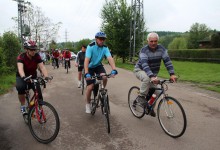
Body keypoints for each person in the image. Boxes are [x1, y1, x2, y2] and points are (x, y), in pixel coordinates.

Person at [134, 32, 177, 117]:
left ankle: (149, 108)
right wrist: (152, 76)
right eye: (151, 41)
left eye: (155, 41)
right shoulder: (144, 50)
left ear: (158, 41)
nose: (153, 43)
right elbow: (145, 65)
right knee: (146, 78)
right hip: (140, 70)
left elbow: (167, 62)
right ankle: (141, 96)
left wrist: (172, 74)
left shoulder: (161, 49)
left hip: (152, 74)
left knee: (157, 91)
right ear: (148, 41)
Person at [84, 31, 118, 113]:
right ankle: (87, 104)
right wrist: (86, 72)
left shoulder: (105, 47)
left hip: (98, 66)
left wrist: (114, 69)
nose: (102, 41)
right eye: (100, 39)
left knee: (105, 77)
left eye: (103, 39)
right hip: (90, 67)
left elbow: (110, 58)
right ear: (96, 39)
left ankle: (102, 90)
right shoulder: (90, 46)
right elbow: (86, 60)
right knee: (90, 87)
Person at [16, 40, 50, 114]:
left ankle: (41, 110)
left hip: (32, 76)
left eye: (34, 49)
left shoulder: (37, 56)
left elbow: (42, 67)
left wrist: (46, 76)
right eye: (31, 50)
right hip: (22, 76)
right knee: (20, 88)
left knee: (39, 92)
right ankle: (23, 106)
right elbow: (20, 69)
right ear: (26, 49)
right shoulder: (21, 57)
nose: (33, 51)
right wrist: (23, 77)